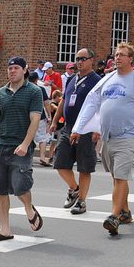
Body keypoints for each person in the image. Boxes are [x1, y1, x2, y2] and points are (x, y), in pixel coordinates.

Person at [71, 42, 134, 237]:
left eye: (122, 55)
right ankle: (125, 211)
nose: (117, 57)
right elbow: (91, 104)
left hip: (128, 136)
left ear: (131, 59)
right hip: (108, 137)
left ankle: (113, 216)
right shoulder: (107, 80)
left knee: (120, 176)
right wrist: (78, 128)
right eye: (116, 54)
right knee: (117, 177)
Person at [0, 56, 45, 243]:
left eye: (16, 68)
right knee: (0, 189)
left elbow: (35, 120)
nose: (12, 71)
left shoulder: (34, 91)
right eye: (10, 68)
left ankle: (29, 209)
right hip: (0, 146)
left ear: (25, 70)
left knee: (20, 187)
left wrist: (25, 144)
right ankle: (4, 229)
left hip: (21, 146)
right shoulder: (0, 93)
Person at [55, 49, 101, 216]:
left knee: (84, 167)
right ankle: (74, 188)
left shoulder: (97, 81)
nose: (79, 62)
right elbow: (64, 100)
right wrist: (55, 121)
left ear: (91, 60)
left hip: (87, 129)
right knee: (60, 162)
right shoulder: (72, 79)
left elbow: (100, 105)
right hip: (68, 127)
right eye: (77, 59)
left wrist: (97, 128)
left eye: (83, 59)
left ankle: (81, 201)